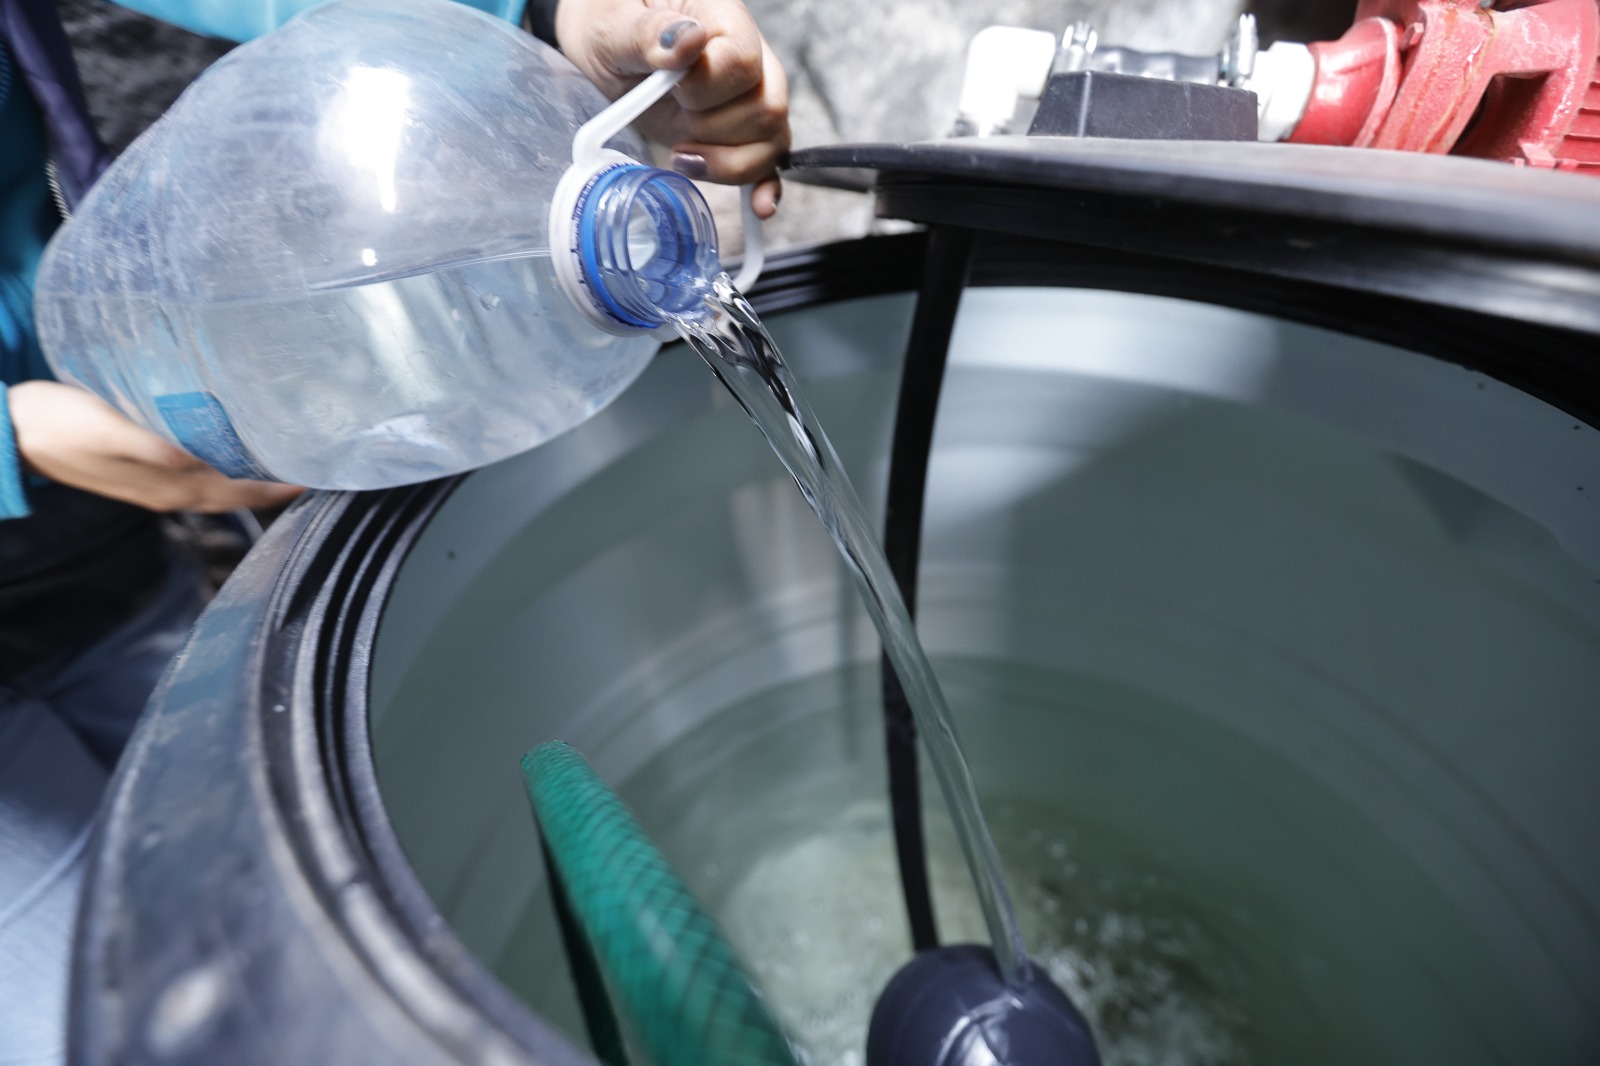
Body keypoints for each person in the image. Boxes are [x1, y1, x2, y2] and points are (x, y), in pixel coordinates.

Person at [0, 1, 789, 1061]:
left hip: (93, 541)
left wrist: (556, 16)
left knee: (264, 923)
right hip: (59, 446)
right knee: (115, 1032)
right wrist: (11, 437)